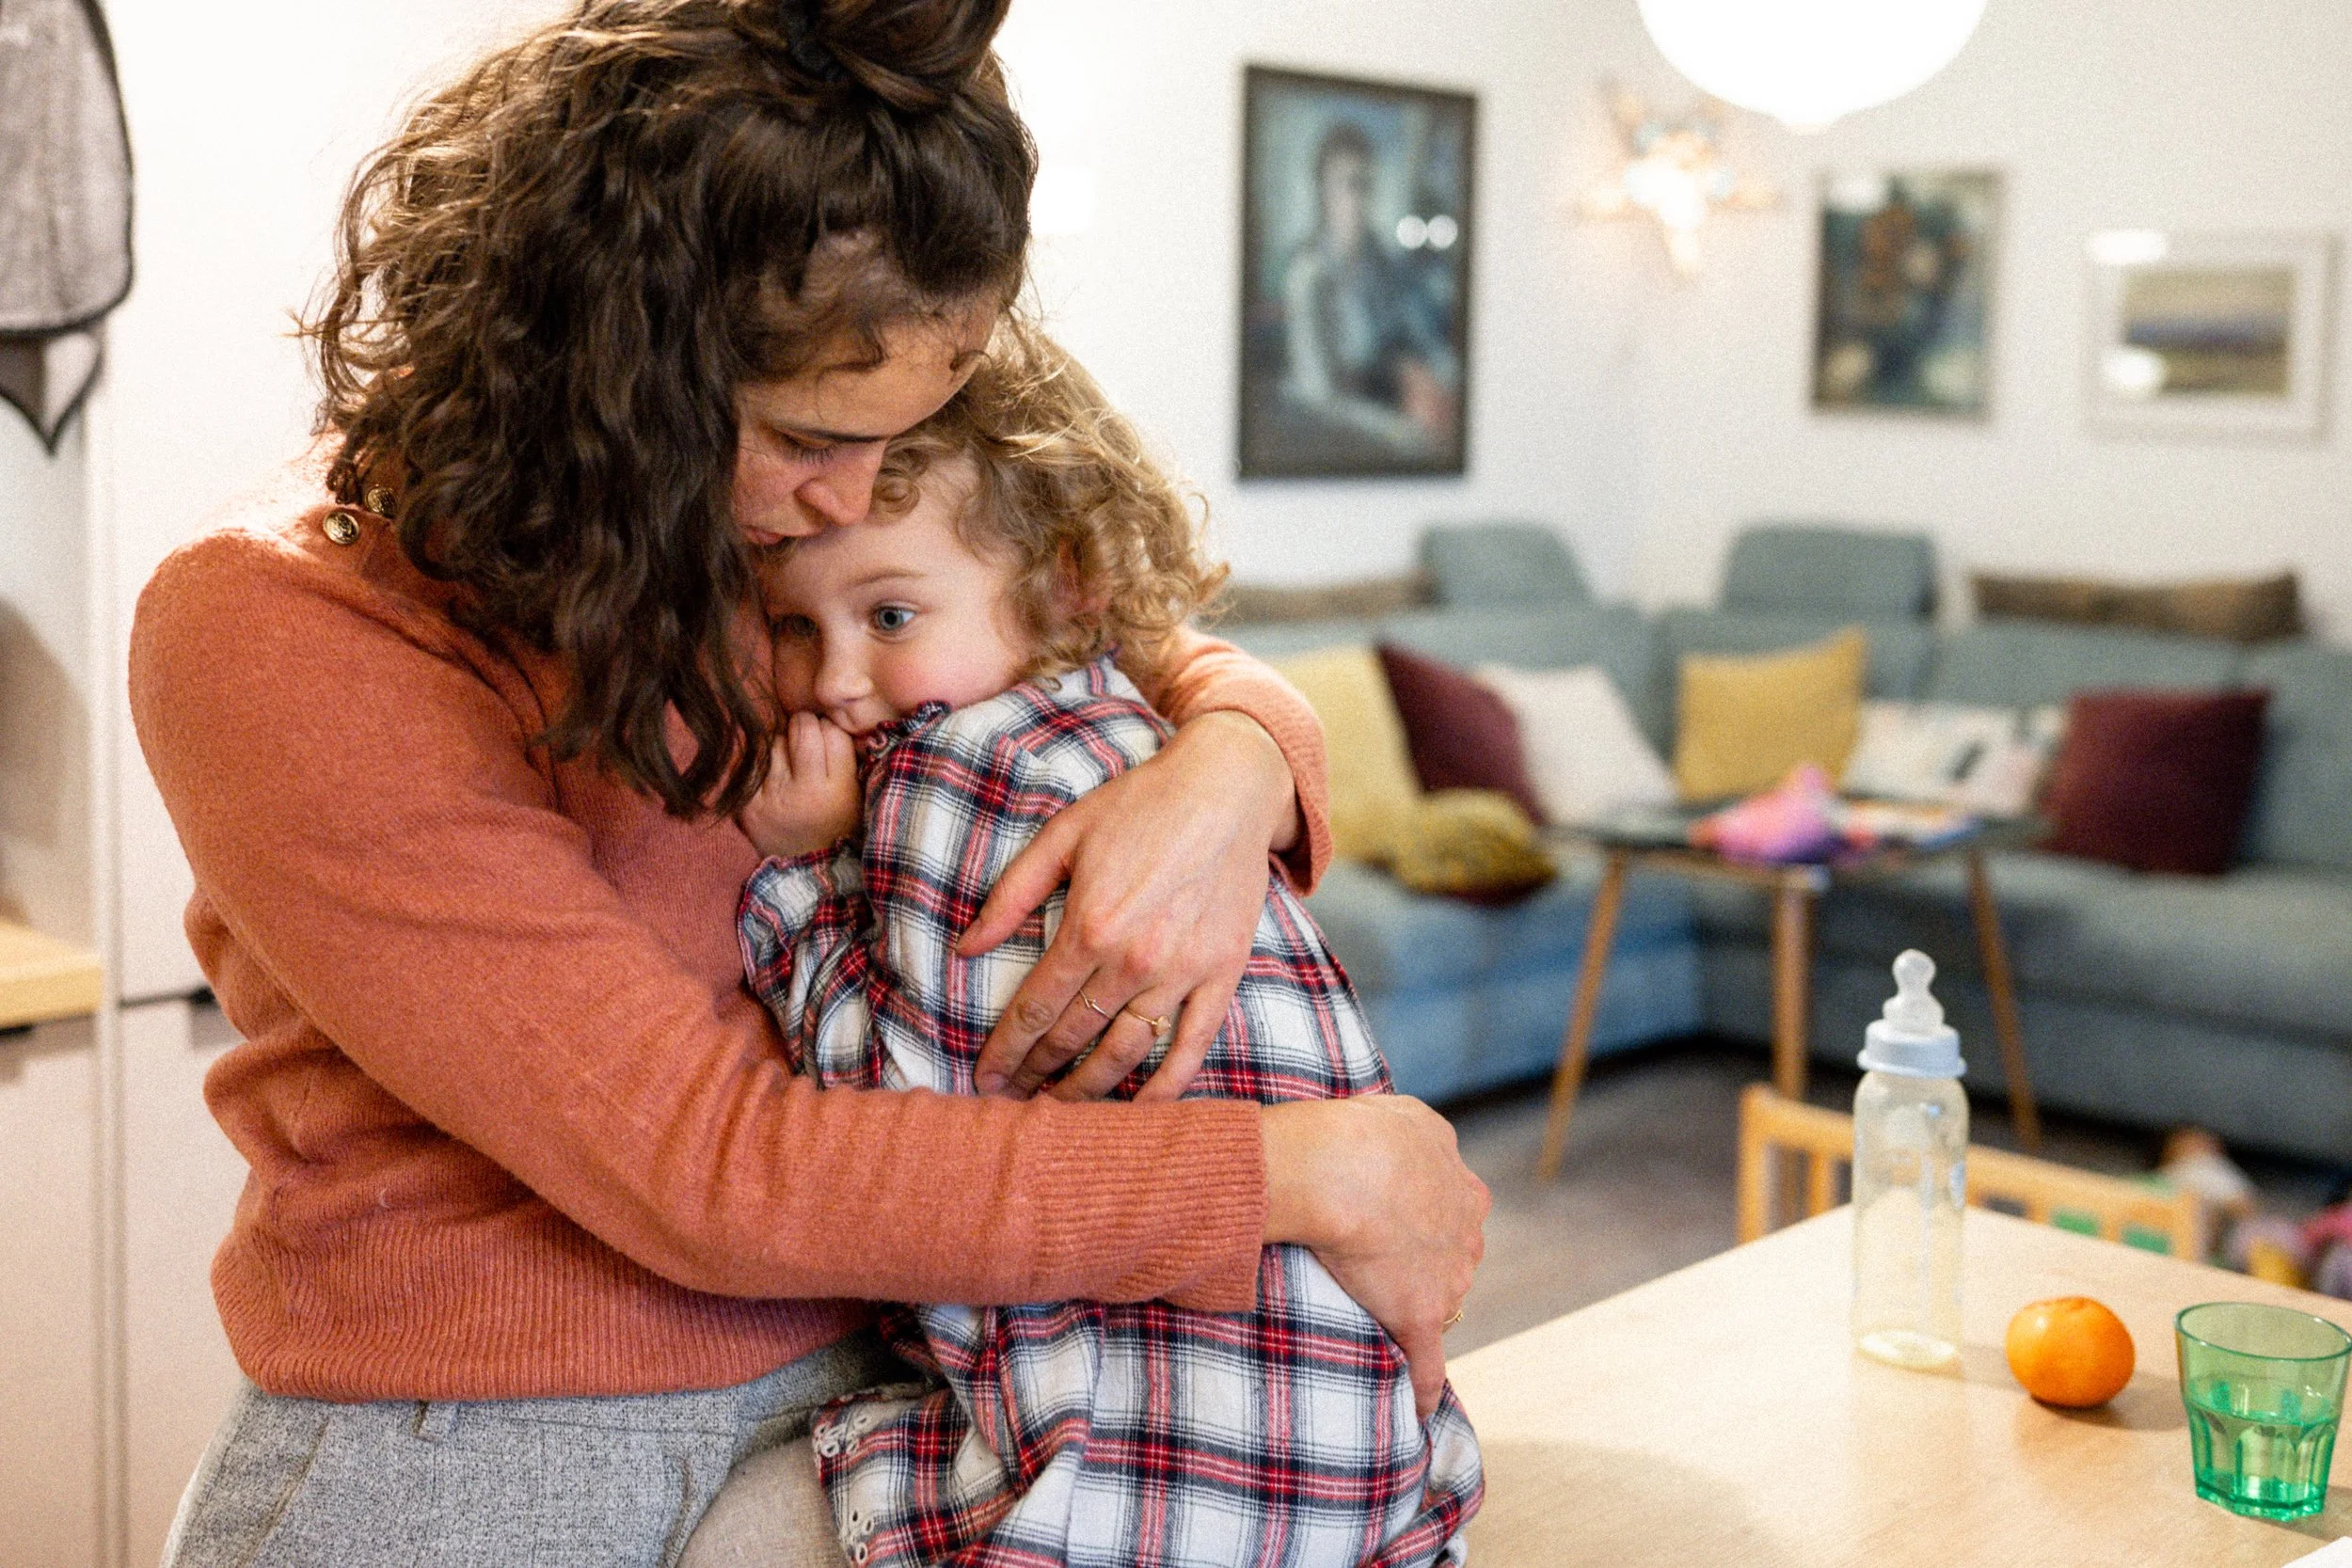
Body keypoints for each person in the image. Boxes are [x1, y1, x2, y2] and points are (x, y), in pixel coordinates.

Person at [125, 2, 1487, 1562]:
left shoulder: (761, 518)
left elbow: (1096, 620)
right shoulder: (279, 622)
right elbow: (705, 1162)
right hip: (487, 1451)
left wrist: (1237, 762)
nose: (851, 497)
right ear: (617, 364)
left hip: (896, 1389)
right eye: (811, 439)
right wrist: (1289, 1173)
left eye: (896, 440)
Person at [734, 329, 1484, 1567]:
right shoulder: (1131, 727)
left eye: (890, 612)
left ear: (1064, 581)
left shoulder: (949, 780)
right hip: (1369, 1454)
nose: (837, 682)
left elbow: (897, 1130)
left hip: (1152, 1470)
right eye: (796, 628)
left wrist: (805, 876)